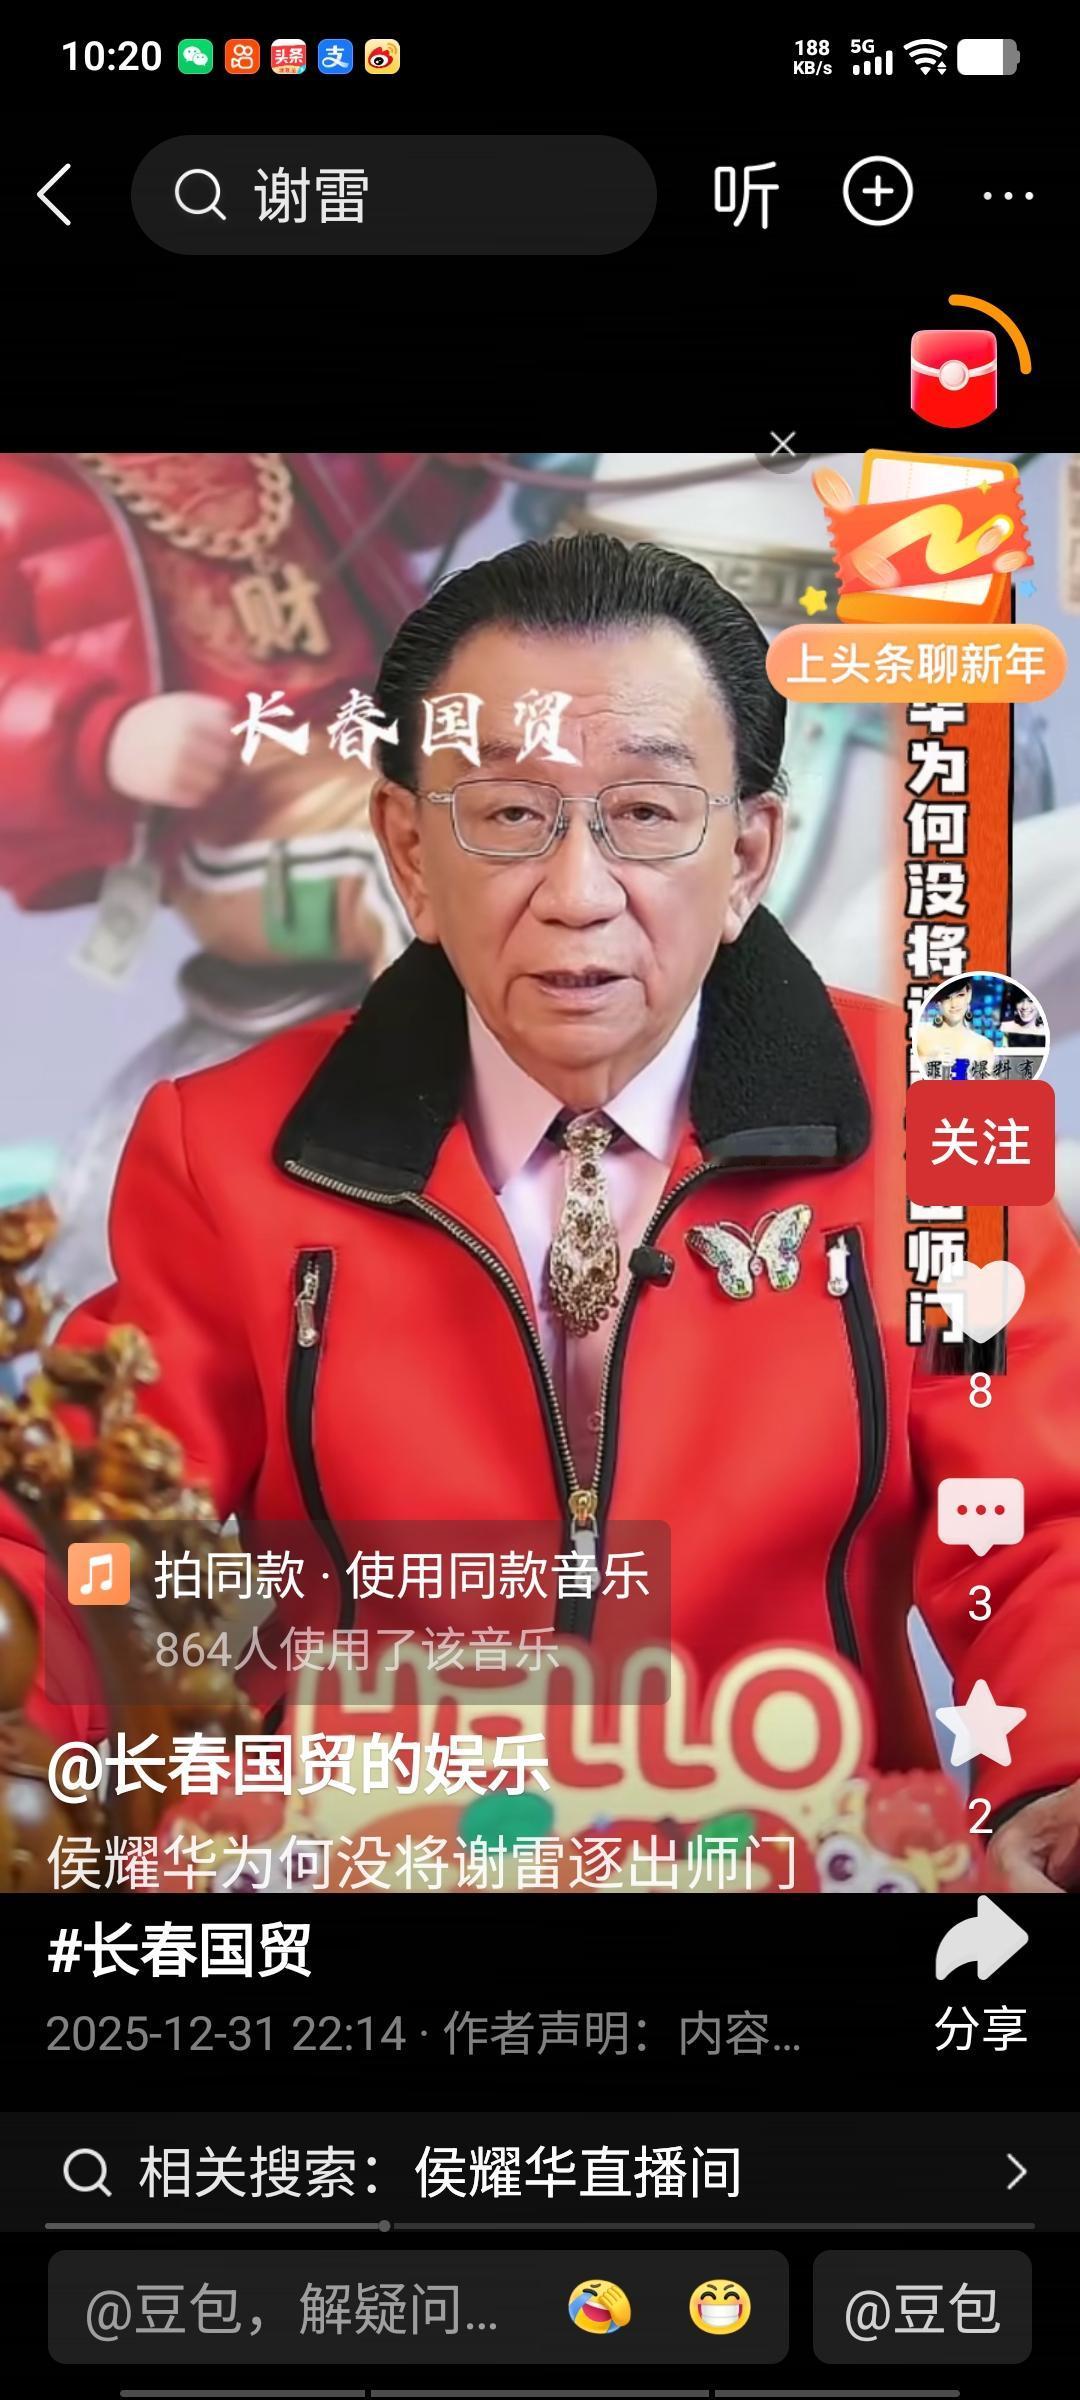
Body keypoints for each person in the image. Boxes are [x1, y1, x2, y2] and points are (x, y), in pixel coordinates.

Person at [3, 532, 1080, 1892]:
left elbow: (1040, 1520)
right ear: (408, 850)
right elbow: (89, 1536)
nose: (577, 896)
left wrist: (1060, 1774)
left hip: (804, 1855)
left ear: (750, 853)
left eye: (647, 813)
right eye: (509, 815)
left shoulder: (931, 1123)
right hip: (367, 1866)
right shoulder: (226, 1151)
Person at [915, 982, 996, 1069]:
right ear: (938, 1002)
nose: (954, 1004)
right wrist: (932, 1061)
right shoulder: (920, 1037)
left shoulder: (983, 1045)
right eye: (946, 997)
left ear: (969, 995)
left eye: (960, 995)